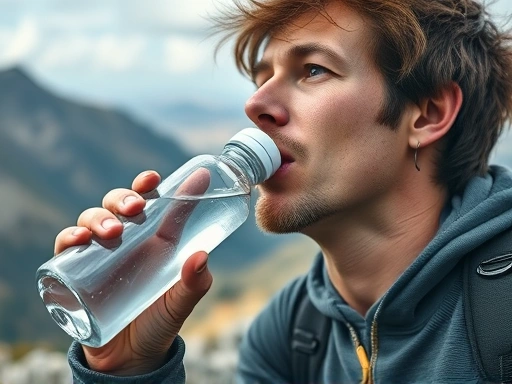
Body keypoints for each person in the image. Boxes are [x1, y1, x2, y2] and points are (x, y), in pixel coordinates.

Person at [57, 0, 512, 382]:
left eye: (313, 70)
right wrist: (130, 370)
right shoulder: (286, 335)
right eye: (261, 78)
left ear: (428, 114)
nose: (255, 105)